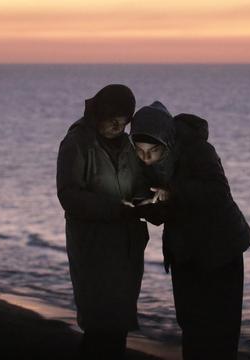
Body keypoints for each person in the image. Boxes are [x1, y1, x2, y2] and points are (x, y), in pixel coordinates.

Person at [129, 101, 250, 360]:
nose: (146, 159)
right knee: (191, 324)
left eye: (153, 151)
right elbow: (166, 212)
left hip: (220, 249)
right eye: (140, 152)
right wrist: (145, 207)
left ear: (167, 140)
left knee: (220, 329)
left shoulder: (199, 150)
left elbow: (217, 192)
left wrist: (173, 191)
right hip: (184, 251)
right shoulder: (146, 161)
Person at [56, 85, 151, 359]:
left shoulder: (128, 144)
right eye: (112, 118)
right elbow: (69, 195)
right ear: (99, 111)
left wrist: (149, 202)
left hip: (126, 248)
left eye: (123, 121)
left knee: (118, 325)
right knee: (99, 327)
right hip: (94, 248)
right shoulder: (77, 142)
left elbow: (138, 184)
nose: (116, 125)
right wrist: (115, 209)